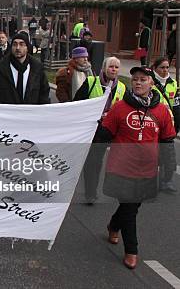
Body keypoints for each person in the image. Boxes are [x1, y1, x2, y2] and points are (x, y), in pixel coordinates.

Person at [96, 66, 176, 269]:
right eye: (135, 80)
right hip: (122, 168)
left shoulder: (161, 111)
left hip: (148, 170)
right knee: (130, 208)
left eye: (143, 79)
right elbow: (104, 135)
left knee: (132, 206)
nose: (138, 83)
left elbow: (167, 141)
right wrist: (94, 126)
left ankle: (114, 225)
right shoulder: (120, 108)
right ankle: (132, 250)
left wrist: (169, 168)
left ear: (151, 83)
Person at [73, 57, 126, 204]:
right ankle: (82, 191)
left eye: (116, 67)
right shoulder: (91, 82)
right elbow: (77, 103)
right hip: (90, 129)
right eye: (111, 67)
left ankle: (99, 192)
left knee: (102, 162)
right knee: (87, 161)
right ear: (104, 68)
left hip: (108, 131)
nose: (113, 70)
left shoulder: (122, 87)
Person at [0, 32, 50, 104]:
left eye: (21, 44)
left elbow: (44, 94)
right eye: (14, 44)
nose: (18, 48)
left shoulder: (37, 68)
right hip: (5, 113)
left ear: (27, 47)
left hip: (30, 113)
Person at [151, 57, 179, 192]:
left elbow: (176, 106)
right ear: (155, 68)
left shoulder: (173, 83)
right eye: (162, 67)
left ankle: (167, 181)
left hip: (168, 125)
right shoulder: (149, 82)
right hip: (152, 124)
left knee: (169, 155)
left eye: (167, 67)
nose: (165, 70)